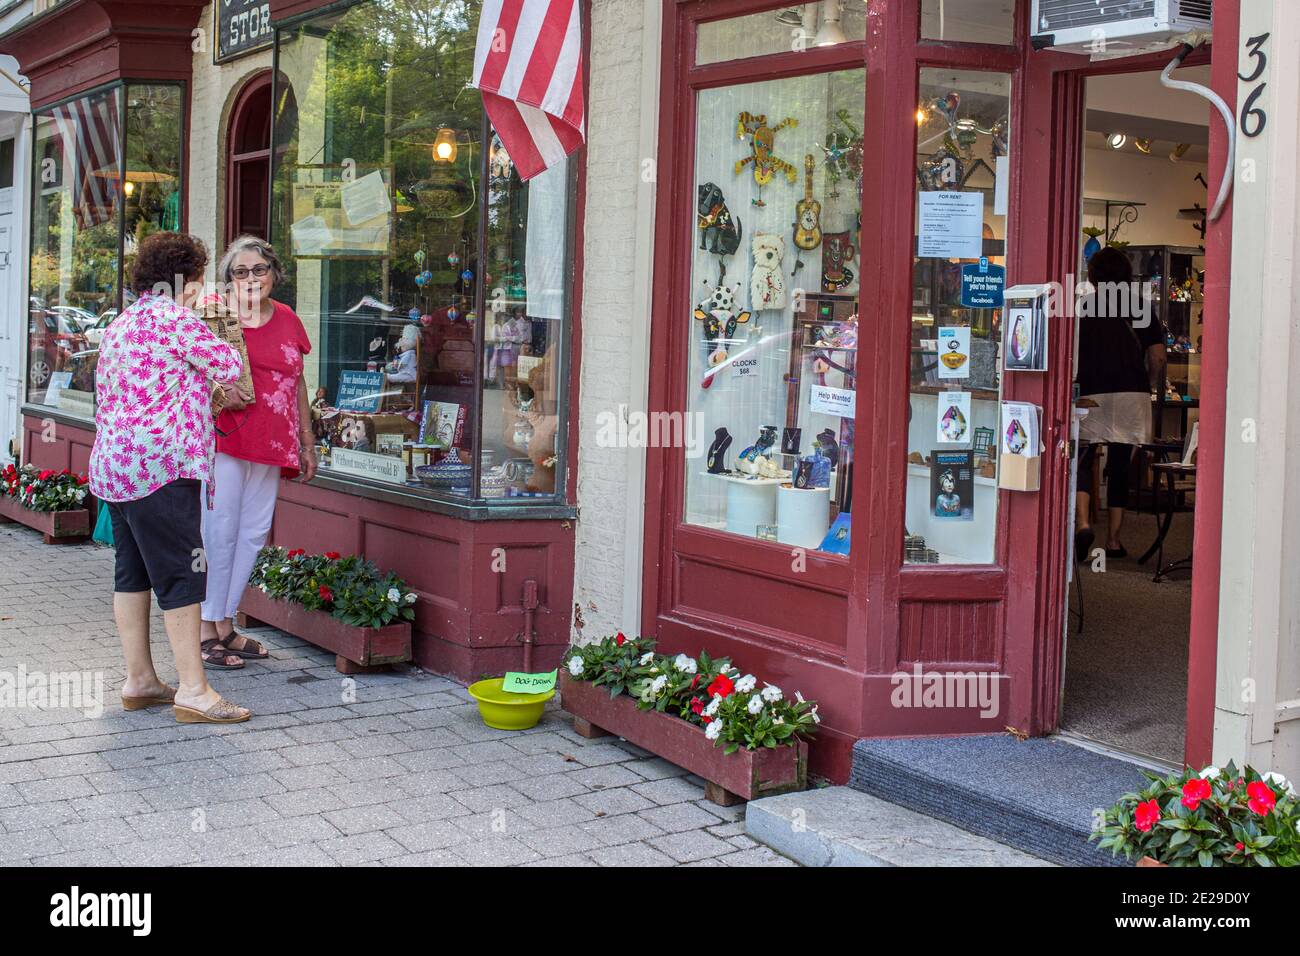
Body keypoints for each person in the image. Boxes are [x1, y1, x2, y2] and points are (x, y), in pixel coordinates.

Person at [89, 232, 250, 723]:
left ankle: (139, 680)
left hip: (115, 464)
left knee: (131, 573)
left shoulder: (122, 322)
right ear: (187, 280)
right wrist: (216, 315)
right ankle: (195, 691)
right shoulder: (177, 319)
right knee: (183, 573)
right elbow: (228, 364)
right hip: (164, 464)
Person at [199, 235, 316, 668]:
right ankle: (205, 627)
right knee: (219, 529)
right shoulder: (213, 315)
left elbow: (298, 381)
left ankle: (225, 623)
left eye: (259, 269)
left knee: (252, 533)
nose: (251, 278)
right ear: (229, 278)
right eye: (240, 271)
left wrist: (307, 440)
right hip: (226, 438)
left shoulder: (287, 318)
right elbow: (188, 373)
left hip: (274, 440)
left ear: (274, 273)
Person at [1074, 247, 1167, 562]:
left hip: (1091, 393)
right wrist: (1150, 384)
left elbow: (1070, 354)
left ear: (1094, 276)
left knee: (1082, 459)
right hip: (1132, 393)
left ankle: (1083, 523)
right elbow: (1157, 355)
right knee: (1119, 468)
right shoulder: (1141, 308)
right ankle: (1113, 540)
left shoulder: (1083, 307)